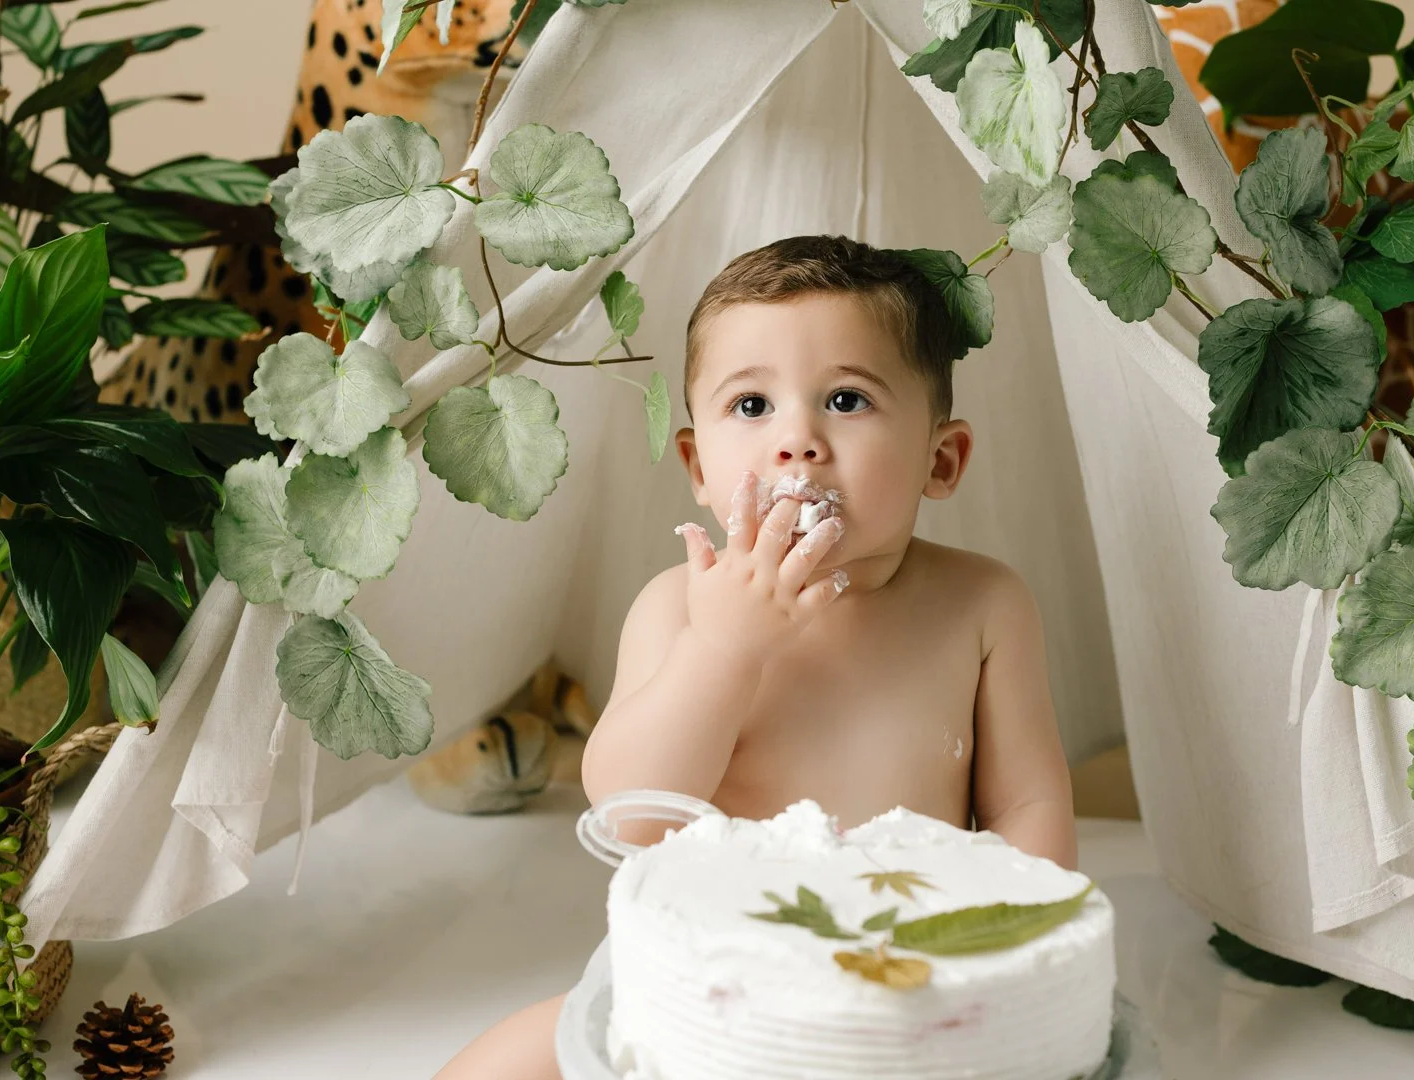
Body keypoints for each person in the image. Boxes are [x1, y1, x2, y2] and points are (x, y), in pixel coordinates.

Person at [431, 234, 1076, 1080]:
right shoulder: (680, 606)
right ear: (699, 467)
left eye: (846, 400)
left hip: (906, 989)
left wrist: (998, 951)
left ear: (940, 459)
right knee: (522, 1056)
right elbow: (631, 816)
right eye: (750, 407)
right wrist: (725, 651)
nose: (797, 442)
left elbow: (1029, 806)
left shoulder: (983, 606)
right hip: (706, 984)